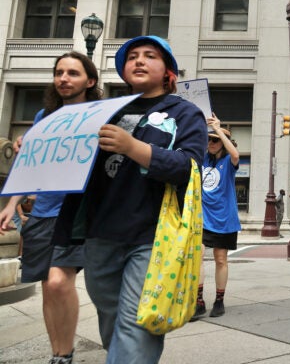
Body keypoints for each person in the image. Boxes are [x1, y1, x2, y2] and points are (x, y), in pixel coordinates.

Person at [53, 36, 207, 364]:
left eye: (150, 56)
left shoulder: (185, 113)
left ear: (168, 71)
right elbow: (74, 162)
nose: (139, 61)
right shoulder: (104, 111)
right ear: (123, 70)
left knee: (135, 322)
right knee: (112, 317)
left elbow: (188, 168)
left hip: (152, 236)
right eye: (132, 56)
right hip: (100, 234)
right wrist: (41, 146)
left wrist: (132, 147)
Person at [0, 51, 102, 364]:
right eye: (59, 72)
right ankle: (58, 353)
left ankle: (66, 351)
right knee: (47, 286)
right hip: (41, 213)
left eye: (72, 73)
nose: (64, 78)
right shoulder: (43, 117)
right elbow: (29, 164)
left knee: (59, 282)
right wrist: (12, 203)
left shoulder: (99, 115)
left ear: (90, 80)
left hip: (74, 214)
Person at [193, 114, 241, 320]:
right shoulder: (203, 159)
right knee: (197, 257)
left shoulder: (228, 164)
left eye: (214, 140)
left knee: (220, 259)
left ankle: (219, 300)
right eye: (209, 140)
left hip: (223, 218)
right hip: (202, 217)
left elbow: (236, 155)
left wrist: (219, 130)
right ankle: (198, 301)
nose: (210, 143)